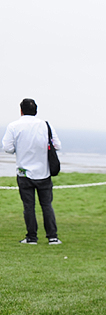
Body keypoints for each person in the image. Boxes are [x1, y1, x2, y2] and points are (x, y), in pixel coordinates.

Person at [3, 98, 62, 245]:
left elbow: (8, 148)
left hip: (24, 172)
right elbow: (57, 145)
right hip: (44, 172)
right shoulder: (45, 125)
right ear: (36, 110)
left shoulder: (14, 126)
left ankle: (31, 237)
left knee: (28, 207)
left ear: (21, 110)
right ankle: (52, 237)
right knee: (47, 205)